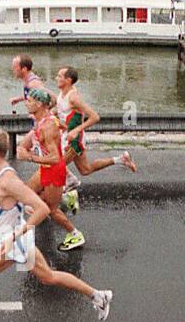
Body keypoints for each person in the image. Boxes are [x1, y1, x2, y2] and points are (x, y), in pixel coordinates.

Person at [0, 129, 112, 322]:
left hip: (12, 242)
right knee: (48, 277)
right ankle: (99, 296)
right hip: (10, 241)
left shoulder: (8, 179)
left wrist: (14, 236)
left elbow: (42, 208)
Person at [54, 66, 136, 213]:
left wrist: (76, 130)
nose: (56, 78)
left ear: (68, 80)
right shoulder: (61, 94)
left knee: (55, 167)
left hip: (74, 140)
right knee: (85, 170)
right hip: (67, 137)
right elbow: (62, 112)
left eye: (59, 76)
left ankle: (63, 198)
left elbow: (94, 117)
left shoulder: (73, 97)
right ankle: (120, 159)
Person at [17, 87, 84, 251]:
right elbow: (58, 128)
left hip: (54, 170)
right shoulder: (44, 120)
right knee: (26, 193)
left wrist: (30, 157)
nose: (26, 103)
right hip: (45, 168)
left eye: (30, 101)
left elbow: (55, 158)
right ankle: (64, 199)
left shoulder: (47, 126)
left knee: (51, 210)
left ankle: (75, 234)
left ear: (39, 104)